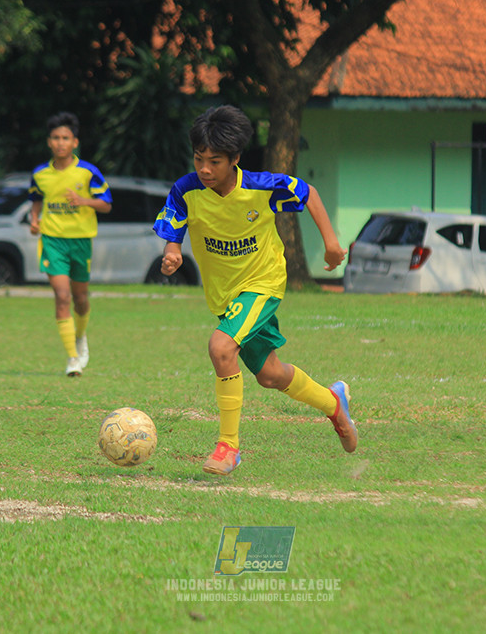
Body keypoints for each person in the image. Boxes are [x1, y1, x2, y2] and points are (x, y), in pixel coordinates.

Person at [153, 105, 357, 475]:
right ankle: (333, 403)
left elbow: (308, 192)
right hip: (225, 296)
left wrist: (330, 243)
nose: (204, 169)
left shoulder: (260, 187)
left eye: (214, 161)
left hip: (262, 284)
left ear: (235, 159)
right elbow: (173, 227)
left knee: (220, 347)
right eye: (199, 159)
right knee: (270, 375)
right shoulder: (187, 190)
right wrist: (171, 253)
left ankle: (228, 447)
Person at [29, 112, 112, 376]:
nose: (61, 143)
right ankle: (73, 359)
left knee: (80, 298)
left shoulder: (88, 172)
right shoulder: (40, 174)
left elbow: (107, 204)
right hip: (53, 241)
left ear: (74, 142)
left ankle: (80, 336)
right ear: (49, 142)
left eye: (65, 138)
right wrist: (34, 220)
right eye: (56, 138)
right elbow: (36, 200)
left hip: (81, 242)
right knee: (62, 296)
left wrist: (83, 200)